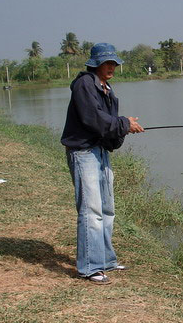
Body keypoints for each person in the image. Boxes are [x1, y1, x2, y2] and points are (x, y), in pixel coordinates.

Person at [61, 43, 144, 284]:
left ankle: (106, 259)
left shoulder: (107, 89)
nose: (111, 67)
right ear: (95, 63)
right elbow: (94, 119)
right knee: (91, 210)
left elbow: (108, 126)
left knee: (107, 208)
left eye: (114, 63)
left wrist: (123, 128)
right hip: (83, 153)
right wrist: (123, 124)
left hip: (100, 152)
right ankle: (89, 267)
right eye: (107, 63)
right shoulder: (84, 84)